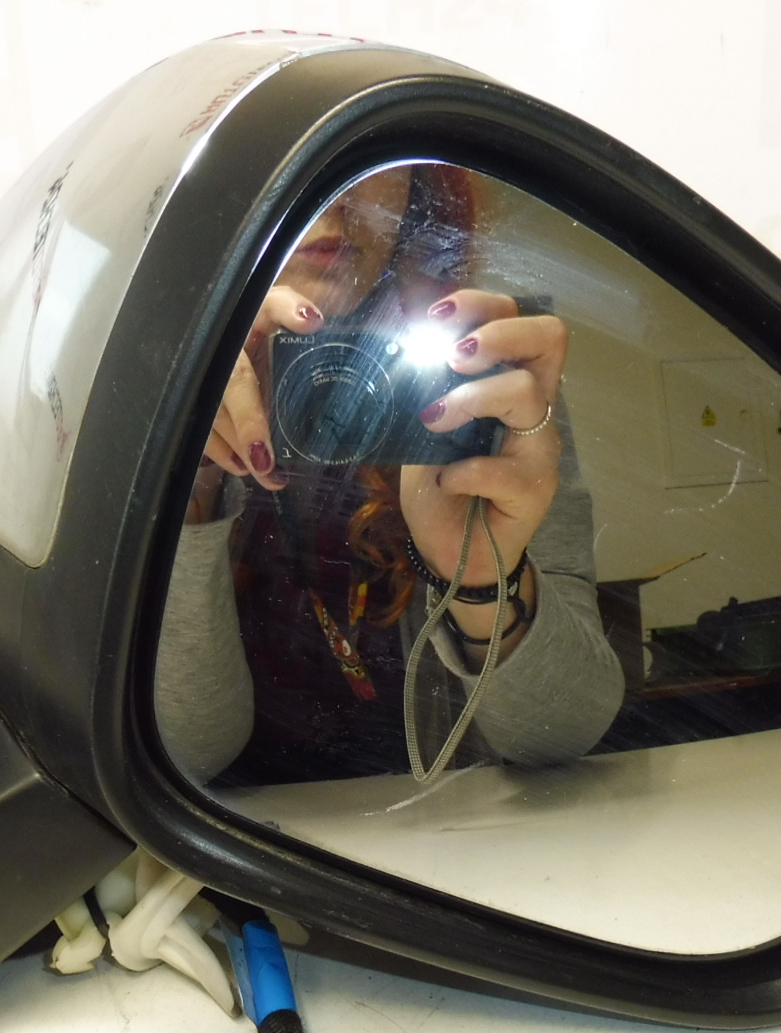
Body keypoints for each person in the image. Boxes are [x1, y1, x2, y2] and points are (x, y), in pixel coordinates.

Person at [156, 163, 623, 786]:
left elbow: (560, 732)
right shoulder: (158, 386)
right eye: (280, 160)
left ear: (415, 189)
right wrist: (187, 478)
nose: (330, 195)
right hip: (224, 840)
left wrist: (480, 575)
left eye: (364, 156)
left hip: (449, 834)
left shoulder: (480, 380)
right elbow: (186, 752)